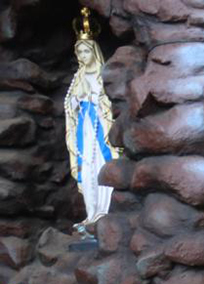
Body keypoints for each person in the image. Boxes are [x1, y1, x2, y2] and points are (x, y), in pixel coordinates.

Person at [64, 8, 118, 240]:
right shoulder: (78, 78)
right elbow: (69, 106)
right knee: (86, 170)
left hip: (100, 130)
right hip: (83, 131)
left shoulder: (102, 75)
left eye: (85, 51)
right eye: (79, 52)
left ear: (93, 52)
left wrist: (95, 99)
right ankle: (91, 214)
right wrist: (76, 101)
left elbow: (109, 103)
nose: (81, 56)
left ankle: (104, 214)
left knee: (101, 167)